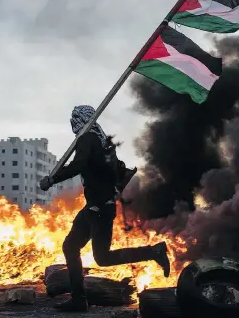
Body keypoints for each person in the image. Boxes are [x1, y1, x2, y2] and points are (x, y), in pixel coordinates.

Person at [39, 105, 170, 312]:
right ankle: (79, 299)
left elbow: (79, 165)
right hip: (100, 207)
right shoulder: (102, 142)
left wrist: (53, 179)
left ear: (81, 120)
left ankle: (80, 300)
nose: (72, 123)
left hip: (98, 208)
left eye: (74, 118)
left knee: (88, 252)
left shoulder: (87, 139)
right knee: (85, 251)